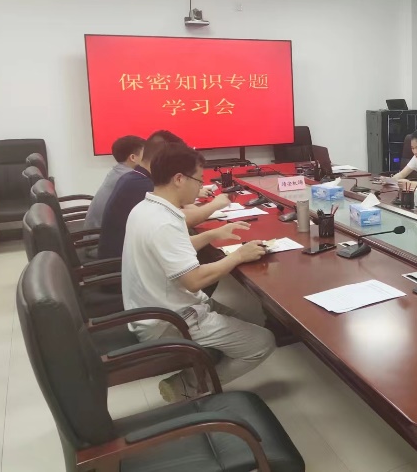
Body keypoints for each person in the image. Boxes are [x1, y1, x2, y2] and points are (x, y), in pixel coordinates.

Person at [122, 142, 275, 403]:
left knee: (252, 323)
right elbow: (194, 280)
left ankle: (202, 365)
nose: (200, 186)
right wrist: (238, 256)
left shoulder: (146, 208)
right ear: (179, 179)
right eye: (198, 180)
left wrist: (213, 234)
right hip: (169, 321)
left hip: (157, 308)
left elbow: (172, 251)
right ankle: (188, 385)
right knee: (263, 342)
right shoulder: (164, 222)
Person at [97, 135, 230, 259]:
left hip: (132, 255)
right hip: (120, 261)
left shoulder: (135, 177)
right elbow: (183, 219)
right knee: (211, 256)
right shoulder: (142, 184)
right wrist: (214, 205)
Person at [84, 135, 145, 230]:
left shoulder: (118, 171)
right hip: (99, 235)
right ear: (133, 157)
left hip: (96, 230)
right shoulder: (129, 179)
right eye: (144, 154)